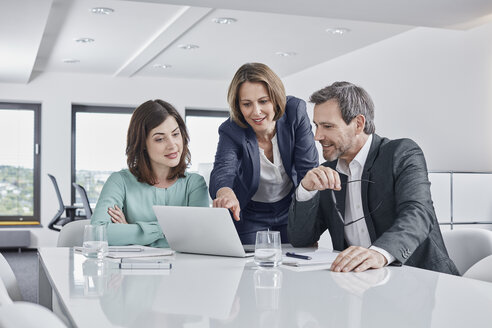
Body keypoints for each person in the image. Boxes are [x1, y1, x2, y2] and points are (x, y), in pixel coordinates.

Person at [287, 81, 459, 274]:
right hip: (361, 286)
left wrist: (379, 253)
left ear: (358, 124)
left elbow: (418, 213)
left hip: (423, 282)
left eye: (327, 126)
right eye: (316, 126)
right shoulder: (327, 172)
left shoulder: (401, 153)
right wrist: (306, 190)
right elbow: (300, 240)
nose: (317, 136)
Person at [209, 63, 318, 244]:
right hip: (251, 212)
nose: (256, 111)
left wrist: (308, 220)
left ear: (275, 98)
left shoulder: (295, 112)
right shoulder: (231, 129)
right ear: (238, 106)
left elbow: (307, 169)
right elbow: (223, 169)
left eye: (263, 101)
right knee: (251, 266)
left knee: (298, 259)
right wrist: (225, 193)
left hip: (290, 207)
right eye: (246, 104)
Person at [91, 99, 209, 247]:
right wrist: (169, 229)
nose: (172, 145)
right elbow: (96, 234)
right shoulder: (119, 182)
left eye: (175, 134)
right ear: (142, 143)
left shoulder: (195, 184)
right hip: (128, 270)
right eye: (160, 139)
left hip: (182, 269)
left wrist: (130, 232)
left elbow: (199, 239)